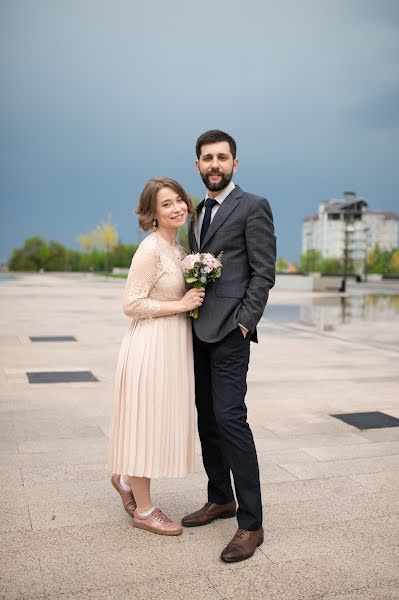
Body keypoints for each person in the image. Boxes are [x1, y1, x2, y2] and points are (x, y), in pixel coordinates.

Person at [182, 130, 276, 561]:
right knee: (207, 420)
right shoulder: (195, 213)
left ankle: (251, 524)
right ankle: (221, 497)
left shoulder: (252, 206)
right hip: (197, 332)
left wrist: (244, 323)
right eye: (207, 158)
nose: (214, 164)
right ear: (198, 165)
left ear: (235, 163)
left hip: (230, 335)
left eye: (222, 157)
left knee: (231, 420)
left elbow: (263, 272)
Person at [108, 177, 205, 536]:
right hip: (149, 347)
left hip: (171, 347)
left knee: (158, 419)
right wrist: (180, 304)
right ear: (152, 213)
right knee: (146, 425)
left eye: (179, 200)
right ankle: (144, 510)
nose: (177, 207)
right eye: (166, 204)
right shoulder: (150, 250)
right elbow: (131, 304)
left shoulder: (178, 250)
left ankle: (126, 480)